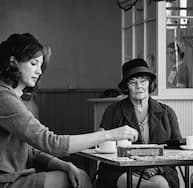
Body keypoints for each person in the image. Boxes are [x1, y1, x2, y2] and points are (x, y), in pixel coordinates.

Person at [0, 33, 138, 188]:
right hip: (7, 182)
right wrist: (110, 135)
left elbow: (32, 151)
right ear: (13, 62)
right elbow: (52, 143)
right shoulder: (4, 98)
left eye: (40, 65)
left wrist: (65, 166)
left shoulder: (15, 98)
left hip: (16, 178)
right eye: (33, 64)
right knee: (78, 179)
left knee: (77, 174)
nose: (39, 71)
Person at [96, 58, 182, 188]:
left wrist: (156, 169)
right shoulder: (113, 111)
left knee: (160, 186)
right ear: (126, 87)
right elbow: (102, 142)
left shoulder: (167, 112)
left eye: (143, 81)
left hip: (160, 169)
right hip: (121, 170)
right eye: (133, 82)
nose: (139, 86)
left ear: (149, 83)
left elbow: (176, 148)